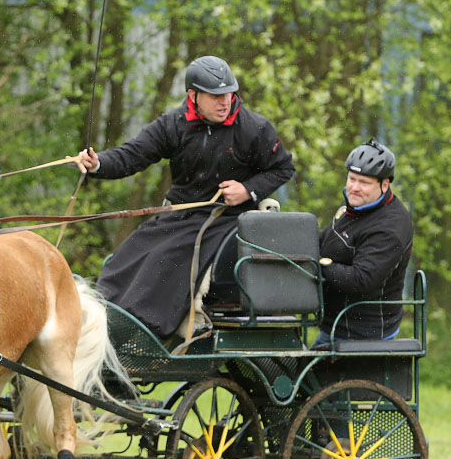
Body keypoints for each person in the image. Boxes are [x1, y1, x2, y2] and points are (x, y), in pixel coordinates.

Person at [75, 55, 296, 338]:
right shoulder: (173, 124)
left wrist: (247, 190)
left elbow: (283, 168)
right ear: (193, 95)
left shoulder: (255, 128)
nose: (225, 102)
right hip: (179, 214)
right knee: (126, 258)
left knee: (165, 257)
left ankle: (145, 330)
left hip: (226, 219)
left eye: (229, 94)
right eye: (215, 96)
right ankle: (105, 321)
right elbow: (132, 155)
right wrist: (98, 164)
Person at [314, 139, 413, 347]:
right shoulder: (355, 203)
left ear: (384, 184)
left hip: (360, 332)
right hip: (334, 322)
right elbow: (330, 236)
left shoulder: (389, 227)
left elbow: (362, 279)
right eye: (352, 179)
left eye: (364, 183)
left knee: (300, 377)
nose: (355, 188)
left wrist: (321, 265)